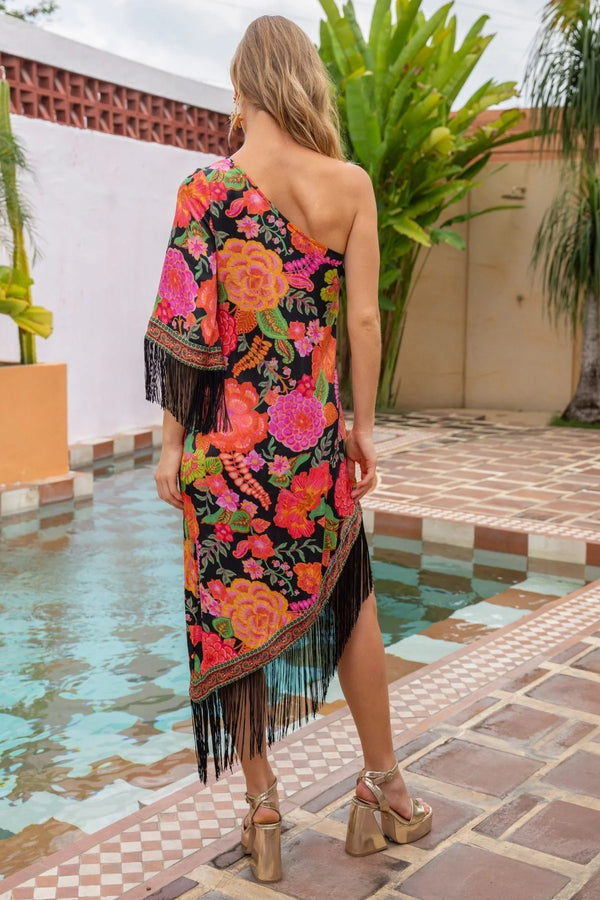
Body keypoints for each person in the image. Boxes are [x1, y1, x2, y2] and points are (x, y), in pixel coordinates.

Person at [144, 14, 432, 883]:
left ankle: (263, 807)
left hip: (225, 452)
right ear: (304, 84)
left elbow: (184, 331)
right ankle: (384, 787)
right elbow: (366, 322)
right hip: (310, 451)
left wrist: (169, 445)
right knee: (350, 599)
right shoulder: (348, 185)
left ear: (242, 90)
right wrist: (362, 427)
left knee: (232, 617)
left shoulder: (206, 190)